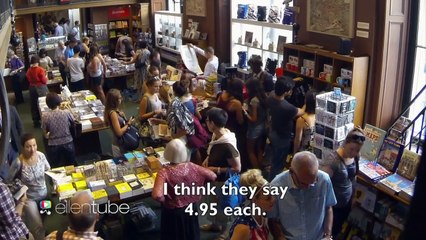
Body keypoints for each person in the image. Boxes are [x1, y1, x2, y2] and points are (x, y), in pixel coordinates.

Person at [152, 139, 217, 240]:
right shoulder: (192, 166)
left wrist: (166, 201)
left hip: (173, 211)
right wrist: (198, 188)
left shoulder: (164, 172)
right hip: (191, 207)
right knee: (191, 233)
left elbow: (157, 195)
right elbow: (212, 176)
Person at [268, 151, 336, 240]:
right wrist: (280, 237)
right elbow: (272, 219)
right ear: (291, 171)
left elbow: (328, 207)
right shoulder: (276, 186)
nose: (308, 187)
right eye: (303, 183)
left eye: (313, 182)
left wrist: (328, 235)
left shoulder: (324, 180)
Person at [201, 107, 241, 240]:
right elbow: (212, 151)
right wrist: (207, 159)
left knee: (223, 206)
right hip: (214, 179)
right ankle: (214, 224)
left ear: (212, 123)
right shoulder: (217, 136)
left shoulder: (227, 144)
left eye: (207, 120)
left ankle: (224, 231)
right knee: (212, 203)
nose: (206, 123)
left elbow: (237, 168)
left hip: (223, 181)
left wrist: (216, 169)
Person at [321, 128, 366, 238]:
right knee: (328, 233)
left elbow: (353, 178)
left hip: (346, 204)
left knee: (337, 230)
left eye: (357, 150)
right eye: (352, 149)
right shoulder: (332, 161)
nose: (354, 153)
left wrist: (354, 196)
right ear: (345, 143)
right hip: (333, 208)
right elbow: (321, 186)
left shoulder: (355, 157)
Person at [266, 77, 304, 180]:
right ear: (286, 92)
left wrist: (292, 81)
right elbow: (301, 111)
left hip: (273, 132)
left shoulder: (271, 97)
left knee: (274, 159)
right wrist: (307, 102)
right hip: (282, 138)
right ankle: (272, 186)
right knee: (278, 165)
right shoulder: (287, 108)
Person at [16, 133, 50, 240]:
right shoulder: (18, 162)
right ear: (23, 147)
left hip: (44, 194)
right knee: (38, 225)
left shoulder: (41, 156)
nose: (32, 149)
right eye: (28, 146)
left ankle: (39, 232)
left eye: (34, 145)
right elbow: (10, 181)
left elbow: (48, 170)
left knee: (42, 219)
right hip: (29, 198)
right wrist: (22, 191)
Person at [229, 169, 275, 240]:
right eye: (268, 198)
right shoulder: (243, 228)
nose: (273, 200)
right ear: (254, 200)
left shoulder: (262, 216)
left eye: (273, 194)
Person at [42, 92, 76, 168]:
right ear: (58, 101)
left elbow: (45, 133)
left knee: (56, 168)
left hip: (53, 146)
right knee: (71, 166)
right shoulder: (66, 113)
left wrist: (49, 135)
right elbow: (74, 121)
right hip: (68, 143)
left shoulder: (45, 116)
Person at [244, 79, 267, 169]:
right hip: (262, 126)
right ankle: (260, 169)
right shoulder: (263, 97)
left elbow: (253, 119)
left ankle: (256, 171)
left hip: (254, 128)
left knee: (250, 151)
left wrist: (245, 112)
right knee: (259, 149)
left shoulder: (254, 100)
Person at [104, 89, 135, 157]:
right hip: (119, 145)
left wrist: (124, 118)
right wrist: (129, 123)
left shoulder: (116, 111)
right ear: (114, 101)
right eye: (119, 98)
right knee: (122, 164)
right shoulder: (113, 114)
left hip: (124, 143)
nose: (121, 99)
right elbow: (119, 133)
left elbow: (123, 124)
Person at [0, 105, 24, 182]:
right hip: (1, 148)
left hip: (13, 145)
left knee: (17, 167)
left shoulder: (11, 109)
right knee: (5, 172)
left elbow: (19, 126)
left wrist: (21, 142)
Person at [26, 55, 48, 128]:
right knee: (43, 103)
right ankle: (44, 120)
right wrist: (46, 77)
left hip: (32, 88)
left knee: (34, 104)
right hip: (41, 87)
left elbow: (28, 79)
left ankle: (36, 121)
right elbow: (44, 81)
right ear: (38, 61)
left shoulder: (29, 70)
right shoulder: (40, 69)